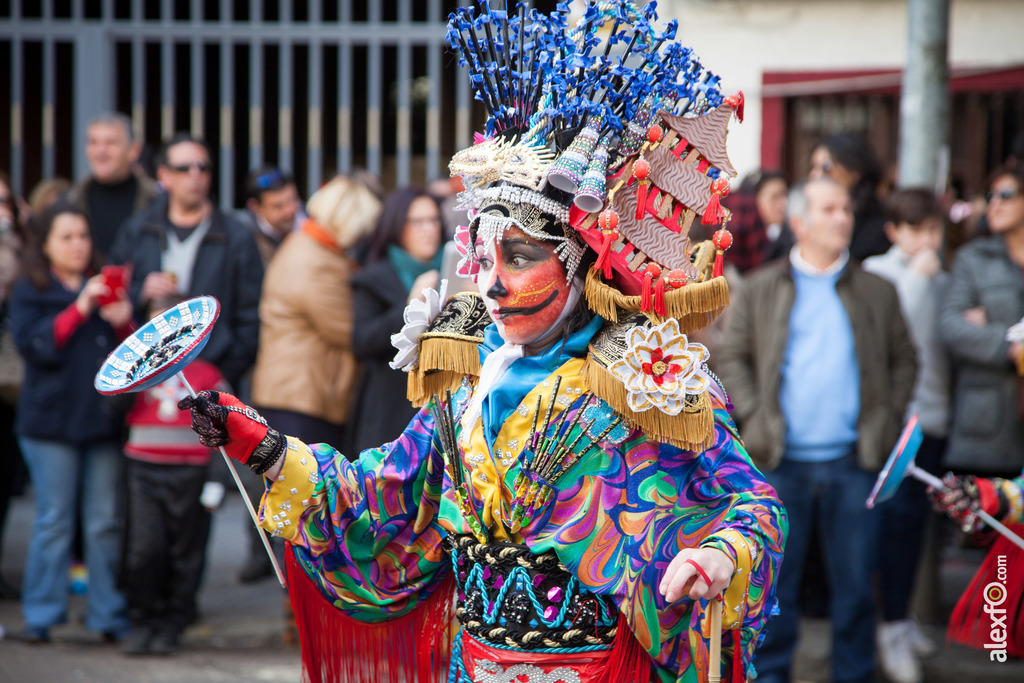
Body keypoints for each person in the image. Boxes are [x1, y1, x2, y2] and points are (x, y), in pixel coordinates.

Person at [179, 4, 785, 682]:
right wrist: (262, 448)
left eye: (520, 257)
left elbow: (752, 504)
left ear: (582, 261)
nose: (492, 286)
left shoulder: (649, 379)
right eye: (483, 257)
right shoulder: (470, 382)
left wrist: (719, 554)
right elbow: (385, 498)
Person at [717, 177, 917, 683]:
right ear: (801, 223)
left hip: (855, 462)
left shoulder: (877, 291)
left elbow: (904, 362)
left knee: (854, 588)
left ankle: (854, 675)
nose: (843, 218)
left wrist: (885, 419)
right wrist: (758, 417)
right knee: (773, 589)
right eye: (830, 209)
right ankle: (769, 676)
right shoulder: (762, 287)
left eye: (847, 208)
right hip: (779, 464)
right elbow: (732, 356)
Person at [8, 203, 135, 643]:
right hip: (48, 426)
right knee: (54, 520)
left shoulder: (104, 288)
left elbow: (133, 359)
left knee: (102, 522)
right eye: (66, 237)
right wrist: (79, 308)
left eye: (83, 236)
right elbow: (35, 344)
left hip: (99, 422)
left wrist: (124, 321)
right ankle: (41, 615)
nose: (78, 245)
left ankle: (107, 614)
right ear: (44, 245)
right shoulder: (30, 288)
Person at [862, 188, 949, 683]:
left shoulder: (942, 275)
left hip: (936, 417)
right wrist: (919, 281)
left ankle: (902, 617)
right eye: (917, 229)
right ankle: (890, 623)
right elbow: (899, 341)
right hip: (899, 423)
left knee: (919, 526)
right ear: (896, 231)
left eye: (934, 229)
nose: (928, 240)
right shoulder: (882, 273)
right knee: (894, 525)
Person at [109, 132, 263, 392]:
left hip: (213, 378)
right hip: (146, 378)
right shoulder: (138, 230)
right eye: (183, 168)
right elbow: (112, 295)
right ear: (163, 176)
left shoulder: (237, 236)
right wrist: (140, 291)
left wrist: (221, 373)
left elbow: (251, 316)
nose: (195, 175)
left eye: (203, 167)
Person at [119, 295, 229, 656]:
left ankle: (173, 623)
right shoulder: (136, 372)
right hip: (144, 470)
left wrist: (218, 480)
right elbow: (109, 409)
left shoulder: (208, 374)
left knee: (187, 552)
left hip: (192, 472)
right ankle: (141, 619)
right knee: (144, 550)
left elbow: (228, 430)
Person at [938, 165, 1024, 479]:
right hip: (987, 423)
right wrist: (1010, 347)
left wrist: (986, 324)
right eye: (990, 196)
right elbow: (950, 324)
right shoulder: (973, 258)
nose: (995, 204)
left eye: (1006, 194)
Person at [349, 186, 443, 454]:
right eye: (418, 221)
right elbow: (363, 340)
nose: (429, 229)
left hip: (439, 412)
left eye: (434, 219)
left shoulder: (454, 269)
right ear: (397, 226)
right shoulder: (374, 277)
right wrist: (410, 307)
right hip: (389, 412)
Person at [64, 112, 158, 261]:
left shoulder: (157, 200)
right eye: (93, 143)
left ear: (134, 150)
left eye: (111, 143)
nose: (101, 151)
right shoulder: (69, 201)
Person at [809, 132, 889, 261]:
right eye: (828, 210)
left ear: (855, 171)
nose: (816, 176)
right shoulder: (804, 213)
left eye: (826, 167)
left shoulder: (879, 227)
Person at [236, 166, 304, 267]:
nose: (289, 211)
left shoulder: (317, 222)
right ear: (255, 207)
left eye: (292, 200)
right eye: (278, 206)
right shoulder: (243, 238)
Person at [726, 170, 789, 273]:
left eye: (785, 195)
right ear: (753, 201)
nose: (784, 203)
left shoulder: (789, 238)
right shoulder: (736, 245)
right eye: (775, 197)